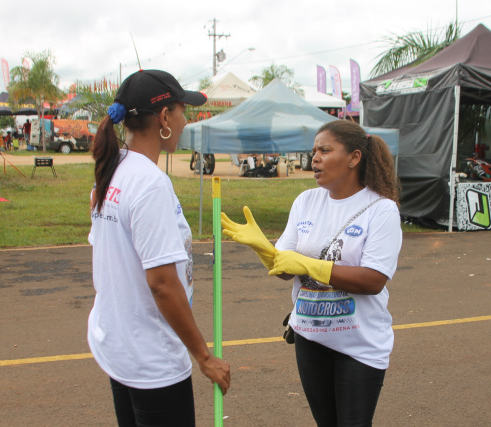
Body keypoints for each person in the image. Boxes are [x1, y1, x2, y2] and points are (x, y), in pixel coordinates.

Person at [222, 120, 402, 427]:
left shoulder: (381, 209)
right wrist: (264, 248)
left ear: (354, 157)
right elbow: (283, 269)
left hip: (359, 343)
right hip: (310, 336)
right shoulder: (305, 201)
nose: (314, 158)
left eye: (325, 150)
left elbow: (373, 280)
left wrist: (309, 265)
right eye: (313, 150)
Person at [88, 69, 230, 427]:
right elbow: (162, 283)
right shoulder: (150, 183)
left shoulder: (114, 167)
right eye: (183, 110)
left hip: (121, 347)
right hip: (152, 358)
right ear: (165, 117)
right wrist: (204, 356)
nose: (186, 120)